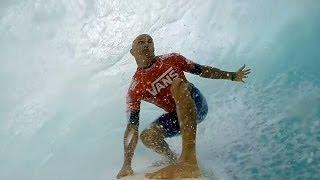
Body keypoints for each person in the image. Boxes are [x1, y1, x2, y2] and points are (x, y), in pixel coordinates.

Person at [117, 34, 251, 179]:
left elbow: (203, 70)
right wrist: (127, 164)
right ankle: (172, 158)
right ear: (132, 51)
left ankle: (188, 160)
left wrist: (231, 75)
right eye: (141, 42)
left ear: (154, 47)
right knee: (147, 136)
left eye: (150, 42)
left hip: (196, 104)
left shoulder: (171, 59)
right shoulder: (135, 88)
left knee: (178, 85)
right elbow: (132, 127)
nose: (146, 44)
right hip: (177, 116)